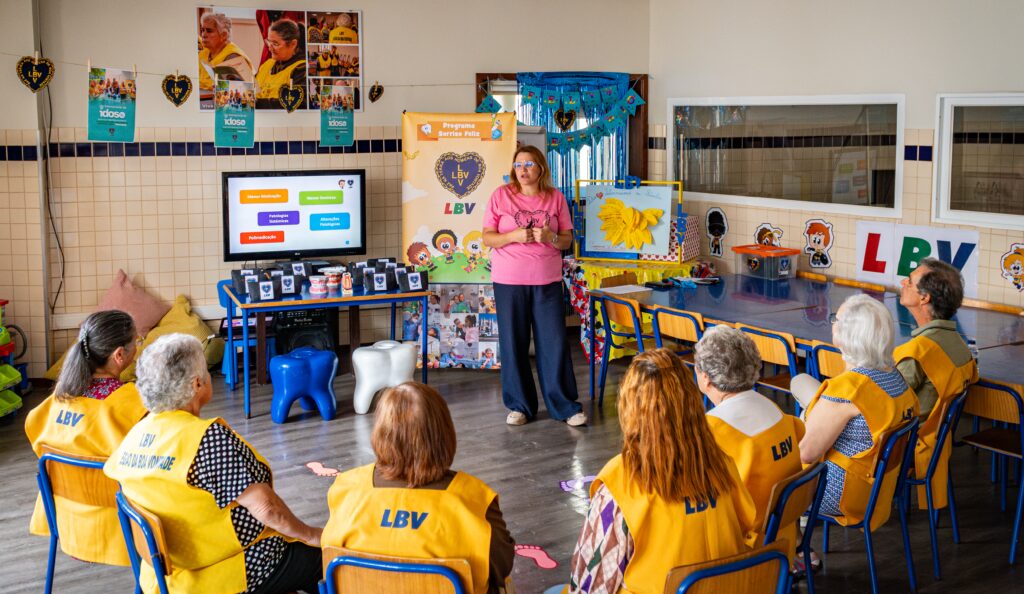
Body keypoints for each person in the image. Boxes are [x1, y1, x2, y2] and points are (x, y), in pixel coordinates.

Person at [104, 334, 322, 594]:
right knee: (325, 562)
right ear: (197, 384)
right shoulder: (207, 439)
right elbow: (267, 508)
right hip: (228, 572)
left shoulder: (137, 434)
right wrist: (310, 534)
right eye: (206, 372)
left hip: (166, 578)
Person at [562, 349, 756, 594]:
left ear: (630, 407)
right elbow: (747, 530)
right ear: (692, 402)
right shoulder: (723, 465)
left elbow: (590, 586)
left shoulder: (620, 485)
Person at [322, 382, 514, 594]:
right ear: (445, 434)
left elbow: (328, 556)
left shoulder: (346, 489)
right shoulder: (475, 499)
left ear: (380, 434)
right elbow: (502, 566)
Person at [25, 310, 146, 566]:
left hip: (65, 521)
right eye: (137, 341)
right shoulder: (131, 402)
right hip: (120, 528)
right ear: (119, 355)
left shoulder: (56, 399)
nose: (138, 347)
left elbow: (36, 436)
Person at [482, 145, 585, 426]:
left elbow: (567, 241)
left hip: (547, 280)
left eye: (528, 164)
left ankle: (565, 406)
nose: (523, 170)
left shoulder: (556, 198)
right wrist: (513, 235)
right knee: (513, 343)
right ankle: (520, 406)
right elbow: (488, 237)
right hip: (509, 280)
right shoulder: (501, 196)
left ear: (541, 168)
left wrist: (551, 236)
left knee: (553, 344)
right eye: (518, 165)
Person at [797, 294, 919, 527]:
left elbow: (805, 454)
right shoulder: (895, 377)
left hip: (843, 492)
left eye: (836, 319)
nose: (832, 322)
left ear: (848, 335)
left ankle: (798, 550)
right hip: (881, 487)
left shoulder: (847, 390)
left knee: (768, 481)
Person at [694, 326, 805, 560]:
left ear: (705, 378)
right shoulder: (776, 411)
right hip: (781, 532)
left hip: (744, 548)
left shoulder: (710, 430)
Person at [894, 258, 978, 510]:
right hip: (934, 442)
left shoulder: (919, 350)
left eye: (909, 281)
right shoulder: (961, 345)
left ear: (924, 298)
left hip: (902, 445)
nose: (903, 282)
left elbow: (886, 402)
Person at [198, 12, 254, 98]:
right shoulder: (203, 53)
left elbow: (247, 96)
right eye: (202, 30)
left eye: (209, 31)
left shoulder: (234, 57)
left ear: (224, 35)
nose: (203, 35)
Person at [255, 19, 308, 110]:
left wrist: (256, 103)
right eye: (269, 42)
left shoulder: (302, 69)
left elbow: (295, 104)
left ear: (293, 44)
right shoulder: (267, 64)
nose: (270, 48)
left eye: (275, 43)